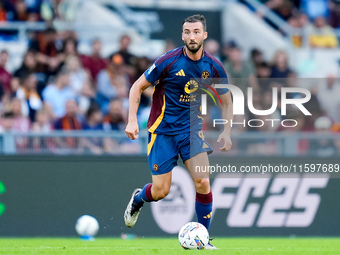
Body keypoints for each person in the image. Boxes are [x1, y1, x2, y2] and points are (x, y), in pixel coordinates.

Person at [123, 14, 233, 250]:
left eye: (196, 32)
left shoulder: (213, 66)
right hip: (162, 132)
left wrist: (227, 130)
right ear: (182, 35)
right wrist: (132, 120)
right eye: (187, 32)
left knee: (203, 181)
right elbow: (137, 87)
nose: (191, 36)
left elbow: (226, 101)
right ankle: (139, 198)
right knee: (161, 191)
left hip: (191, 130)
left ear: (204, 35)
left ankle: (203, 239)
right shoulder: (168, 61)